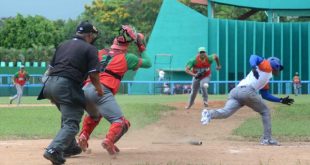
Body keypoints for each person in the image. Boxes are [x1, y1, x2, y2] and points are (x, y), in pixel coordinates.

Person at [77, 25, 151, 155]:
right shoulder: (129, 58)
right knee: (121, 122)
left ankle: (83, 136)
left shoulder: (100, 52)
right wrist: (141, 45)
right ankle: (109, 140)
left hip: (85, 89)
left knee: (95, 116)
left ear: (116, 37)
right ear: (129, 42)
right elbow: (148, 63)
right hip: (102, 90)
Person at [38, 21, 103, 165]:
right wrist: (99, 90)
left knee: (68, 116)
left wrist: (51, 91)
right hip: (67, 85)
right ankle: (53, 150)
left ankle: (69, 146)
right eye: (93, 36)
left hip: (49, 85)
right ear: (89, 35)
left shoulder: (63, 45)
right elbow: (93, 75)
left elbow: (49, 70)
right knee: (72, 124)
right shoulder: (90, 49)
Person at [201, 55, 294, 145]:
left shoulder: (266, 77)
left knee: (226, 112)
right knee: (265, 111)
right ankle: (267, 139)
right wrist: (254, 67)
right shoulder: (267, 66)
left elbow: (265, 95)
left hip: (235, 91)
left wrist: (280, 100)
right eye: (279, 68)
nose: (279, 70)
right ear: (275, 65)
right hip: (246, 91)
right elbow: (253, 57)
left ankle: (209, 113)